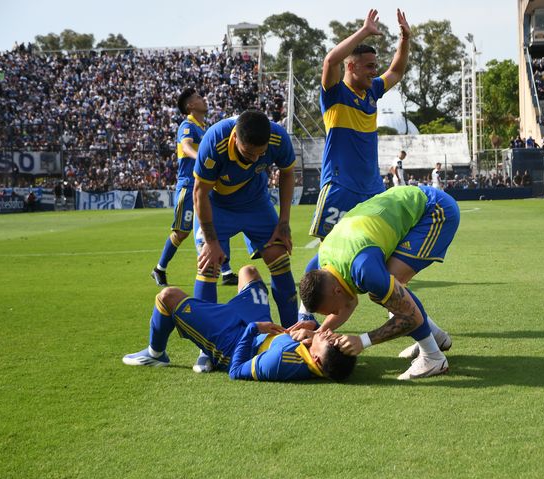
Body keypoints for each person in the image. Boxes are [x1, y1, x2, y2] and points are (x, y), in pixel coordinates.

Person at [302, 9, 411, 320]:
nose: (374, 72)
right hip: (339, 186)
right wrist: (364, 31)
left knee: (384, 247)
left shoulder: (372, 93)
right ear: (350, 66)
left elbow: (398, 71)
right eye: (368, 67)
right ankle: (305, 312)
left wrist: (404, 39)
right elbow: (329, 61)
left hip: (371, 188)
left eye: (375, 67)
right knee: (327, 252)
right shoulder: (334, 93)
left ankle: (395, 304)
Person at [298, 185, 460, 380]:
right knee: (387, 290)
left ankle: (433, 357)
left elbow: (410, 317)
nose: (333, 315)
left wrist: (363, 341)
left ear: (336, 291)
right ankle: (436, 337)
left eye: (332, 311)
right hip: (401, 207)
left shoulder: (364, 269)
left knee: (387, 290)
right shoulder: (321, 263)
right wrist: (316, 331)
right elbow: (346, 303)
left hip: (435, 210)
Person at [123, 265, 356, 382]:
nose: (329, 336)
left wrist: (254, 328)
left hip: (233, 341)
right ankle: (218, 323)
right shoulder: (317, 359)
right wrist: (311, 334)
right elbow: (320, 349)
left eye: (329, 342)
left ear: (316, 359)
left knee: (167, 297)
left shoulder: (280, 362)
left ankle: (156, 353)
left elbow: (235, 371)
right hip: (257, 328)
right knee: (249, 272)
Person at [192, 110, 299, 330]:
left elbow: (288, 174)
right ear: (235, 139)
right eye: (249, 153)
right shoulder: (215, 140)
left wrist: (284, 222)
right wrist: (211, 242)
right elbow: (199, 193)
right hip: (216, 206)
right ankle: (208, 347)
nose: (255, 159)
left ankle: (293, 333)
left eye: (261, 154)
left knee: (279, 258)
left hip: (256, 203)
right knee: (208, 265)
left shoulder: (278, 137)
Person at [151, 89, 208, 287]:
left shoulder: (203, 128)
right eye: (199, 98)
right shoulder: (187, 125)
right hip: (189, 185)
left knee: (212, 224)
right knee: (182, 232)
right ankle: (159, 268)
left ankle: (224, 271)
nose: (203, 99)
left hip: (204, 186)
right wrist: (200, 158)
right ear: (190, 106)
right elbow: (186, 147)